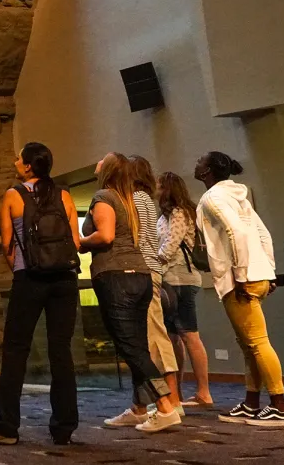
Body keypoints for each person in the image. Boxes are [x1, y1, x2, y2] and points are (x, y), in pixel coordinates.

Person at [0, 142, 81, 446]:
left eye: (19, 158)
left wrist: (22, 269)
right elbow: (74, 241)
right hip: (64, 280)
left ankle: (7, 427)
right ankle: (64, 427)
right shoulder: (64, 195)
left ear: (29, 166)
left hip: (29, 278)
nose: (15, 161)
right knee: (61, 351)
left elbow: (7, 245)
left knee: (15, 349)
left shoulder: (13, 195)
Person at [80, 153, 178, 433]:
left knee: (132, 346)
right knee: (137, 345)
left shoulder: (106, 197)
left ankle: (165, 404)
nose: (97, 163)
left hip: (117, 275)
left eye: (102, 161)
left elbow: (106, 236)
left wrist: (81, 241)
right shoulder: (132, 199)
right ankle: (141, 406)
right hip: (141, 274)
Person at [194, 151, 284, 427]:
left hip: (241, 279)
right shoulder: (239, 197)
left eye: (200, 161)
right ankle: (252, 402)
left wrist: (240, 274)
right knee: (249, 345)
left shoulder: (212, 198)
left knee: (258, 343)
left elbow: (235, 232)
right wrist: (268, 271)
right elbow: (263, 234)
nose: (196, 162)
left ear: (207, 172)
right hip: (258, 275)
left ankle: (280, 406)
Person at [156, 171, 213, 409]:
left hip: (181, 278)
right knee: (172, 337)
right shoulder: (166, 215)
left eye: (159, 186)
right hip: (170, 278)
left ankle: (204, 392)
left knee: (189, 335)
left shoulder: (179, 213)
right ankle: (175, 392)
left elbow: (171, 243)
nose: (155, 189)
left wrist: (153, 262)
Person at [129, 156, 181, 415]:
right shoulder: (148, 201)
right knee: (150, 337)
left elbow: (134, 236)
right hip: (151, 268)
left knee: (155, 337)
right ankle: (147, 403)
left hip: (144, 269)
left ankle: (170, 400)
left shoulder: (136, 200)